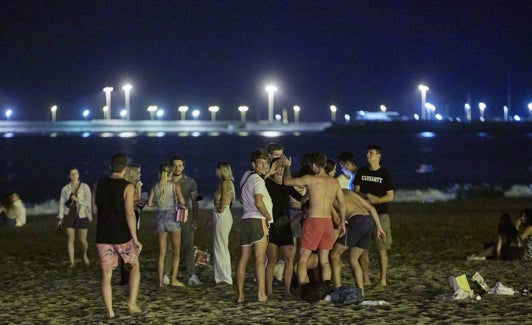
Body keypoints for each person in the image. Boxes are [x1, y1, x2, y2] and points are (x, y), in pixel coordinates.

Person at [281, 152, 346, 287]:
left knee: (303, 259)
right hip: (327, 222)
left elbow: (286, 181)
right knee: (325, 260)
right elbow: (342, 203)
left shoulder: (311, 179)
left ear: (314, 165)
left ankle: (304, 287)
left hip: (314, 221)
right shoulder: (334, 182)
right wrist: (341, 223)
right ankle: (326, 286)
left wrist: (287, 167)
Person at [93, 154, 142, 319]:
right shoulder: (128, 186)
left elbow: (95, 210)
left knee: (106, 274)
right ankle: (131, 304)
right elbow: (129, 213)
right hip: (122, 236)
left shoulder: (98, 184)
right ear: (125, 168)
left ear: (110, 166)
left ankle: (110, 311)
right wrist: (135, 238)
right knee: (134, 266)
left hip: (103, 235)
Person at [330, 189, 386, 296]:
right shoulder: (347, 191)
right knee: (353, 258)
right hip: (369, 221)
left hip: (357, 221)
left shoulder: (329, 196)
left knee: (334, 255)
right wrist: (379, 228)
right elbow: (371, 208)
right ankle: (361, 293)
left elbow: (337, 220)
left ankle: (337, 290)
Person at [354, 145, 394, 287]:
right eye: (367, 153)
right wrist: (365, 197)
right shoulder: (361, 172)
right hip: (364, 214)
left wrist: (377, 200)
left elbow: (390, 196)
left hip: (381, 214)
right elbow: (356, 191)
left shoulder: (384, 173)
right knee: (363, 249)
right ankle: (366, 278)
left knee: (381, 248)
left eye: (371, 153)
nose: (368, 155)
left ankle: (383, 279)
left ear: (378, 156)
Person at [236, 149, 273, 303]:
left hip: (245, 220)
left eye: (265, 163)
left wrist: (268, 173)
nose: (263, 166)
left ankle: (240, 295)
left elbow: (243, 197)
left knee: (243, 258)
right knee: (259, 259)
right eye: (260, 163)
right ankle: (261, 294)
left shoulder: (246, 176)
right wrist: (268, 216)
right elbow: (259, 202)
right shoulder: (258, 181)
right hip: (258, 220)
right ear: (254, 164)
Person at [265, 157, 303, 298]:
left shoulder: (287, 185)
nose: (280, 169)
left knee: (289, 257)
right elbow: (258, 186)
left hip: (285, 224)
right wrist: (269, 172)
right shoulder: (267, 182)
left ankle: (287, 289)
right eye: (277, 166)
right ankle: (269, 290)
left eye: (282, 167)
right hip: (272, 224)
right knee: (272, 259)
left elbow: (301, 198)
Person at [148, 163, 186, 287]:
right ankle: (173, 279)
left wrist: (159, 204)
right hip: (172, 218)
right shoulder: (175, 185)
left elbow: (149, 203)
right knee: (176, 252)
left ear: (160, 173)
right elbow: (182, 201)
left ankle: (160, 282)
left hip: (160, 219)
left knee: (162, 253)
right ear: (171, 173)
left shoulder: (155, 186)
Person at [169, 155, 202, 286]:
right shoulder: (166, 181)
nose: (177, 168)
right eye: (174, 165)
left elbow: (195, 201)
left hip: (185, 217)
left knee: (188, 246)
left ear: (184, 166)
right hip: (169, 217)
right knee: (169, 248)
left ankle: (192, 275)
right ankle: (167, 275)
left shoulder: (190, 182)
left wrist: (195, 218)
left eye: (180, 165)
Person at [58, 168, 92, 268]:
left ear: (78, 175)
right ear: (69, 176)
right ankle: (72, 262)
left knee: (83, 240)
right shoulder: (65, 188)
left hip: (82, 214)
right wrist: (60, 218)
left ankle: (85, 255)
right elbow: (61, 204)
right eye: (71, 174)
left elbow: (88, 202)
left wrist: (78, 200)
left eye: (75, 173)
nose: (73, 175)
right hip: (69, 214)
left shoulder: (85, 187)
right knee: (70, 239)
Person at [120, 163, 145, 285]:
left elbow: (137, 200)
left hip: (136, 213)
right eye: (138, 172)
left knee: (130, 242)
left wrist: (140, 203)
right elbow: (127, 204)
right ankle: (126, 275)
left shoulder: (137, 184)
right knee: (127, 242)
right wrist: (136, 203)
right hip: (129, 214)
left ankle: (128, 273)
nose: (140, 174)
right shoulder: (126, 186)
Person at [212, 161, 235, 285]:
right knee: (219, 245)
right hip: (221, 213)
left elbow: (225, 198)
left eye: (218, 170)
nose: (216, 172)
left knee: (221, 246)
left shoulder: (226, 182)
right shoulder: (223, 183)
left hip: (222, 214)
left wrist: (220, 209)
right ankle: (221, 276)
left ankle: (224, 277)